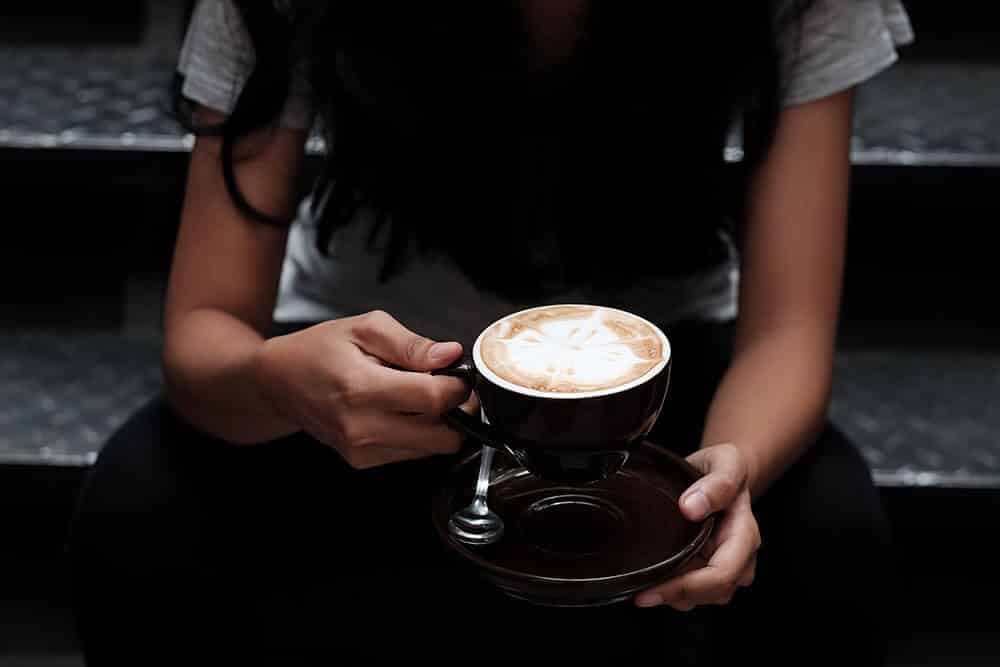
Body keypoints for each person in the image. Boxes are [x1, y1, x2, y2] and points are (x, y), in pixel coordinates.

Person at [68, 1, 913, 665]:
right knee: (140, 507)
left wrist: (729, 476)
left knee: (831, 536)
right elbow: (205, 332)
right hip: (367, 372)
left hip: (658, 384)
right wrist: (283, 385)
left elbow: (790, 329)